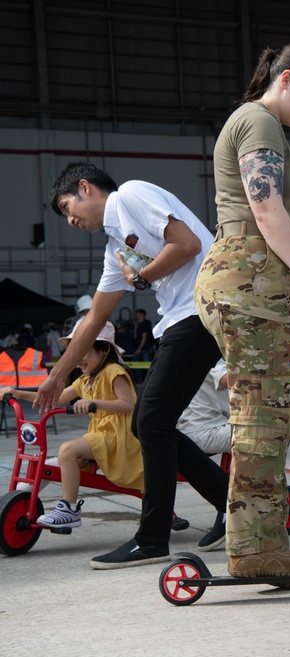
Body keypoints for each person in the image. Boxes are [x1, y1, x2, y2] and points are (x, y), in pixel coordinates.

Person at [194, 43, 290, 583]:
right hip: (249, 286)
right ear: (287, 79)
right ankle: (255, 549)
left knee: (269, 420)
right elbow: (265, 206)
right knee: (261, 421)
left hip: (257, 288)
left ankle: (264, 542)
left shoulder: (264, 125)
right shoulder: (258, 122)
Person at [41, 162, 229, 569]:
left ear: (86, 188)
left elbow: (187, 244)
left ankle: (152, 538)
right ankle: (230, 501)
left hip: (202, 311)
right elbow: (93, 320)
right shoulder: (115, 248)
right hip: (180, 319)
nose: (69, 219)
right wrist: (57, 377)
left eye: (67, 206)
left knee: (151, 421)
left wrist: (140, 278)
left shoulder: (130, 195)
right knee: (147, 421)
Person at [2, 320, 143, 529]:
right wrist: (17, 393)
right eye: (76, 353)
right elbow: (54, 398)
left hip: (119, 437)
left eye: (84, 351)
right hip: (102, 436)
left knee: (67, 450)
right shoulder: (84, 380)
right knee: (50, 465)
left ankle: (69, 509)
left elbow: (128, 404)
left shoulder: (114, 371)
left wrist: (94, 403)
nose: (79, 359)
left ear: (103, 350)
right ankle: (16, 502)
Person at [177, 357, 233, 551]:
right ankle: (235, 501)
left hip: (185, 432)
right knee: (261, 432)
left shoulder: (186, 358)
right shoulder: (216, 358)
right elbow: (225, 377)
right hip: (203, 433)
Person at [133, 309, 154, 382]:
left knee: (147, 364)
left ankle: (149, 380)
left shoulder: (145, 324)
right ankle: (140, 380)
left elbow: (144, 338)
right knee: (135, 364)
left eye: (138, 315)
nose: (136, 316)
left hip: (145, 348)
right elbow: (135, 337)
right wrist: (135, 328)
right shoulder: (137, 325)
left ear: (142, 315)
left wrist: (139, 348)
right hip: (138, 347)